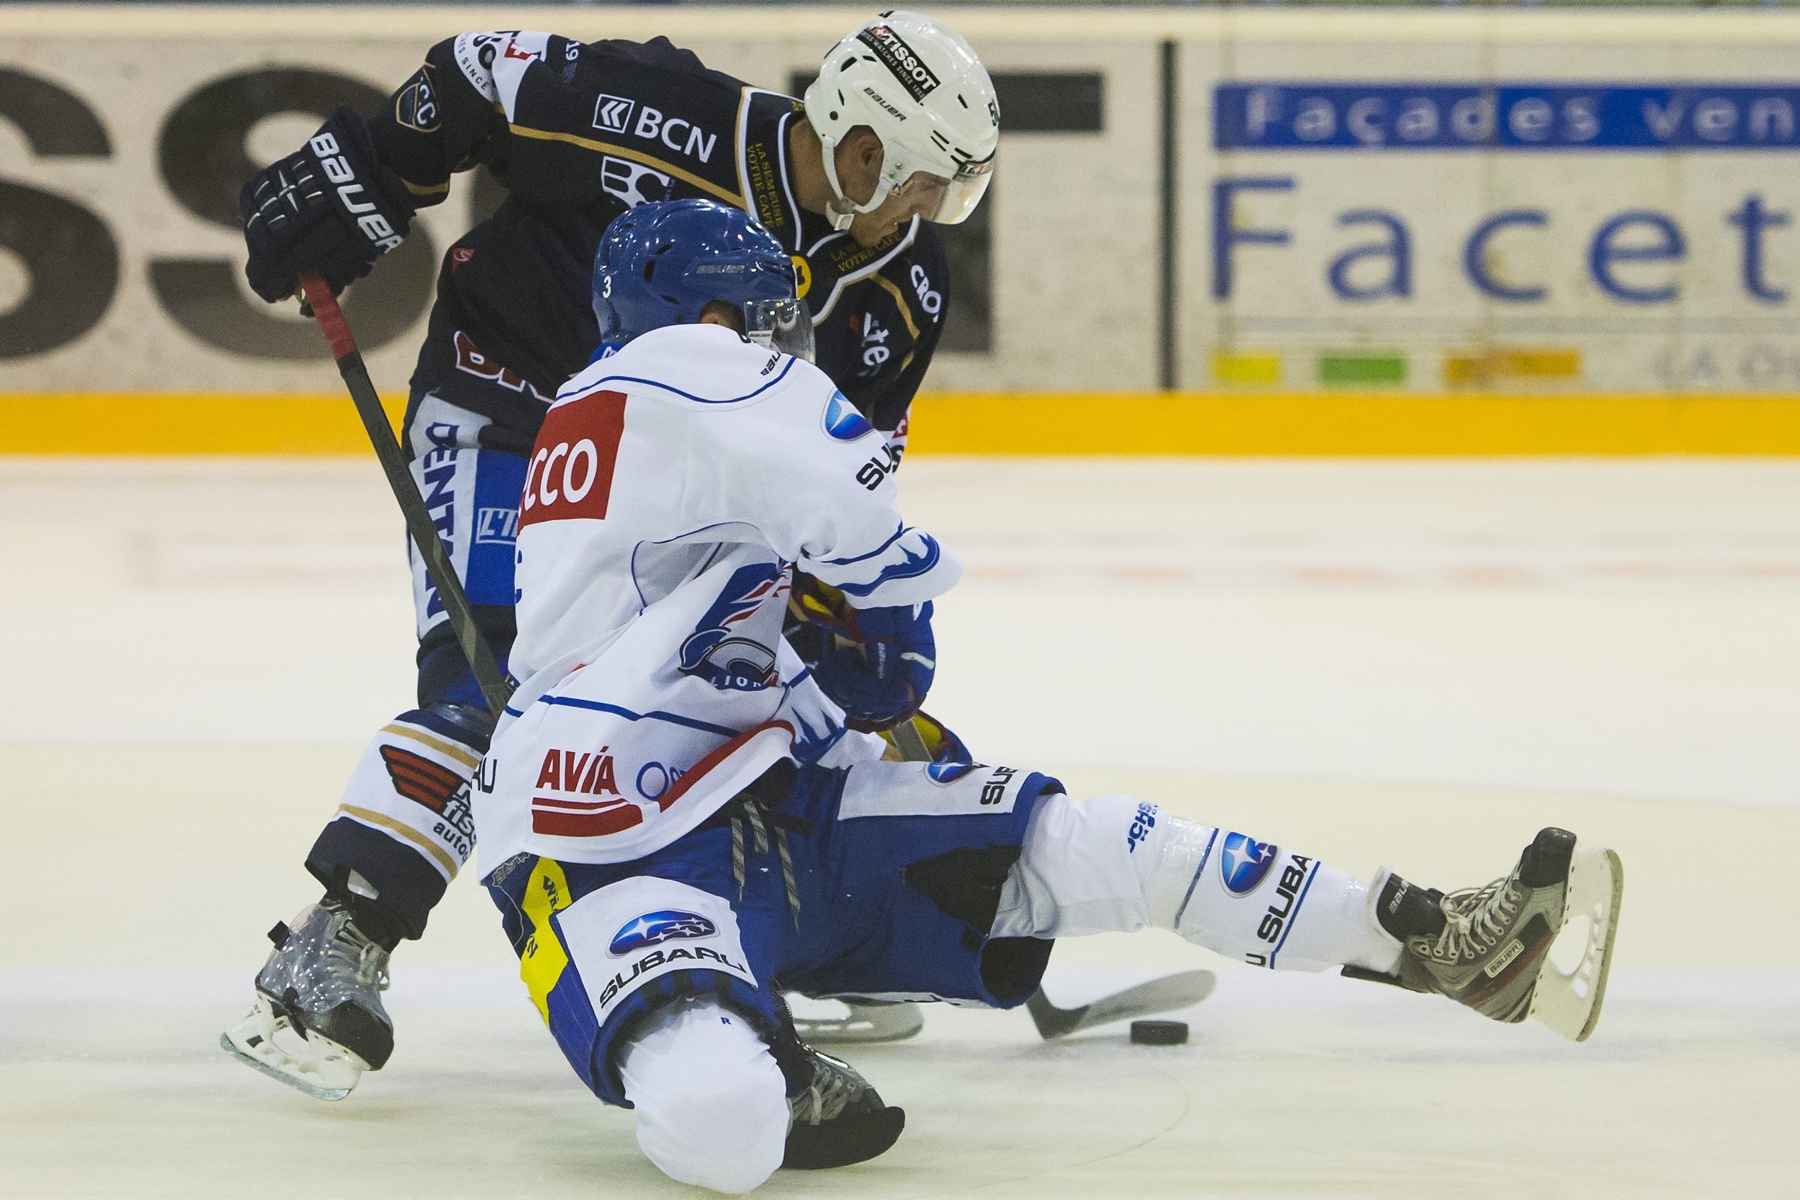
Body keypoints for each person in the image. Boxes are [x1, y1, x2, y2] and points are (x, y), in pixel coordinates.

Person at [470, 200, 1622, 1193]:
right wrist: (887, 629)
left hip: (761, 811)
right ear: (710, 313)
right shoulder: (695, 370)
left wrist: (850, 719)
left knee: (1100, 839)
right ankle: (754, 1030)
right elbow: (888, 566)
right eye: (767, 317)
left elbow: (725, 656)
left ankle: (1437, 943)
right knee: (724, 1128)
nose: (786, 342)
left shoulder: (635, 437)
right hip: (618, 857)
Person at [222, 10, 995, 1112]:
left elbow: (844, 462)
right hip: (507, 410)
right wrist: (376, 167)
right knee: (498, 687)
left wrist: (832, 612)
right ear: (863, 146)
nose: (931, 215)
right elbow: (485, 72)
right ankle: (334, 945)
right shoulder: (671, 116)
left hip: (677, 495)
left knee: (728, 698)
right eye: (925, 184)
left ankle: (791, 944)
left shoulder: (904, 287)